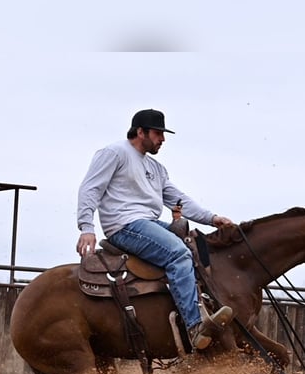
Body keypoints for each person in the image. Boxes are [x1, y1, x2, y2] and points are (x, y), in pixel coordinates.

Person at [76, 108, 234, 350]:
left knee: (196, 244)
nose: (162, 139)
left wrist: (212, 219)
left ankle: (200, 306)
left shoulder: (156, 169)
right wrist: (86, 226)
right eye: (158, 133)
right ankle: (194, 327)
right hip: (125, 224)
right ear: (140, 132)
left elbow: (178, 199)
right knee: (178, 253)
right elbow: (90, 189)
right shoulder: (115, 153)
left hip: (147, 224)